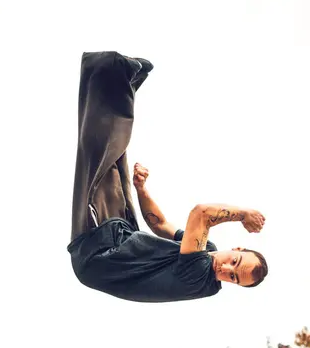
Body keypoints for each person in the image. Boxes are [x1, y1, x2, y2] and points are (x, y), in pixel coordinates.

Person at [68, 52, 268, 303]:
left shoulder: (200, 277)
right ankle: (126, 83)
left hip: (98, 255)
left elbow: (202, 213)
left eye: (234, 278)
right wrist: (142, 190)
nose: (226, 271)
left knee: (98, 156)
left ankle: (108, 69)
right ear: (237, 249)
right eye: (234, 262)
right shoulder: (207, 251)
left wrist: (243, 214)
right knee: (117, 162)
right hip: (121, 242)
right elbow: (160, 225)